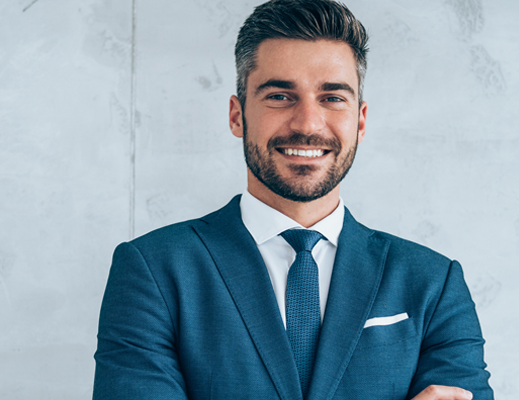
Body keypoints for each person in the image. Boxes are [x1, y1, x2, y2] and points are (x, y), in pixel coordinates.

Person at [93, 1, 493, 399]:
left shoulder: (433, 283)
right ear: (237, 115)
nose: (307, 123)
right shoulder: (153, 271)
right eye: (280, 96)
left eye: (333, 98)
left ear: (361, 120)